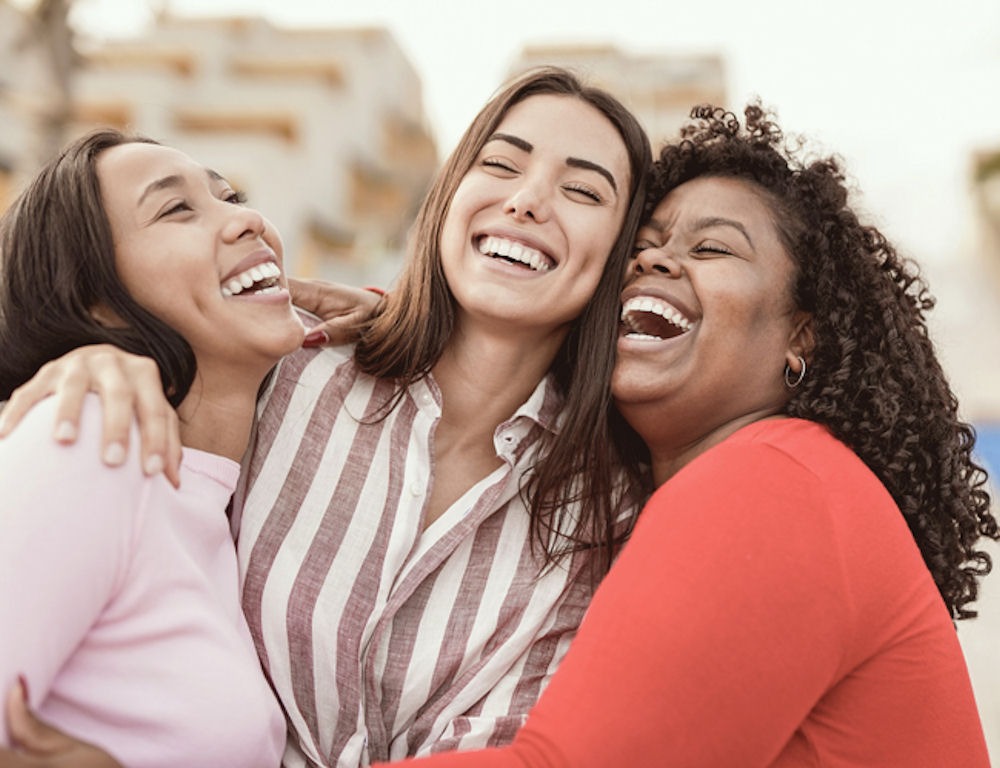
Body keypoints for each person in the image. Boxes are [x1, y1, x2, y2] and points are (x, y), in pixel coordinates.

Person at [0, 67, 653, 767]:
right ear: (449, 192)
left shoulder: (608, 513)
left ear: (621, 254)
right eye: (499, 164)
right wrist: (81, 364)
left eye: (583, 191)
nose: (528, 201)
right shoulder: (283, 372)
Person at [365, 103, 1000, 766]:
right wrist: (394, 324)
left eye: (711, 248)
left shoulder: (772, 482)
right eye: (638, 250)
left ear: (800, 335)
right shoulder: (738, 482)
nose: (655, 263)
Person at [0, 130, 304, 766]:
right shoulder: (86, 438)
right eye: (176, 209)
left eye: (231, 195)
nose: (247, 218)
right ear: (99, 304)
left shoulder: (217, 498)